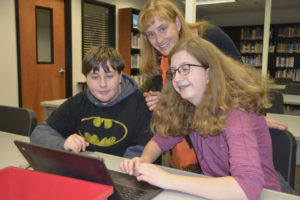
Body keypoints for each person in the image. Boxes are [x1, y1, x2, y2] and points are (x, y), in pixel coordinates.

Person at [120, 37, 282, 200]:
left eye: (185, 69)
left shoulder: (237, 114)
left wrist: (168, 180)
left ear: (209, 72)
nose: (176, 78)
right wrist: (143, 160)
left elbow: (246, 189)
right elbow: (161, 140)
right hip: (213, 193)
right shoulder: (190, 107)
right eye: (174, 71)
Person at [137, 0, 287, 172]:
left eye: (163, 28)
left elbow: (238, 81)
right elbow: (166, 134)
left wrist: (250, 116)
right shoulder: (164, 62)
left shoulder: (210, 39)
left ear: (177, 23)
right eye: (151, 34)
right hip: (201, 153)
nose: (159, 39)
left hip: (226, 126)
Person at [30, 46, 151, 157]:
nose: (102, 84)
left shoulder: (141, 104)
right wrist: (62, 143)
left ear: (120, 76)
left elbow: (144, 149)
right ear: (86, 78)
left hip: (121, 172)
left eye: (109, 76)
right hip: (85, 168)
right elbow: (40, 133)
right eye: (94, 77)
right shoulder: (78, 102)